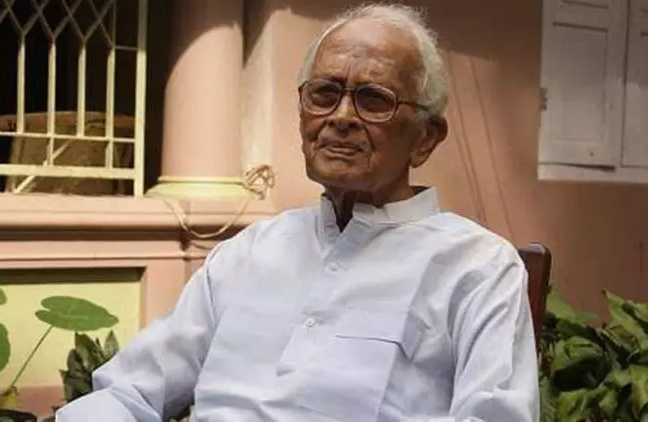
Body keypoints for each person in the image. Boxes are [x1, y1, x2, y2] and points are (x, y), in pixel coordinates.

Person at [55, 3, 539, 421]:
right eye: (324, 93)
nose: (341, 117)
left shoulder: (476, 268)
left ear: (426, 138)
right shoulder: (248, 253)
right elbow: (130, 388)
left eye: (374, 100)